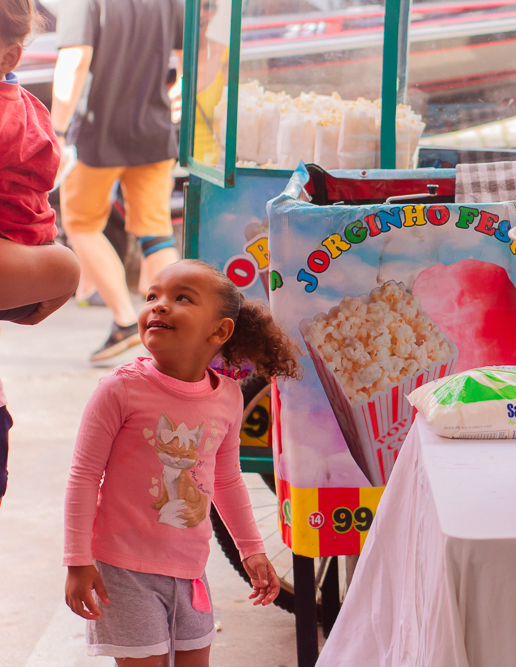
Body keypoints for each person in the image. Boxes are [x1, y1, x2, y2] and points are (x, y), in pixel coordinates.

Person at [63, 259, 301, 665]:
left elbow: (226, 479)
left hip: (191, 570)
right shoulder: (119, 389)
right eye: (152, 296)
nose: (158, 305)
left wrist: (251, 548)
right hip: (123, 569)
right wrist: (77, 561)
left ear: (220, 331)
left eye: (182, 298)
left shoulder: (228, 396)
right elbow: (84, 476)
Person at [52, 0, 184, 363]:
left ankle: (126, 322)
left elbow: (75, 59)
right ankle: (175, 331)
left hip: (98, 136)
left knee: (82, 225)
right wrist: (179, 96)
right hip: (154, 133)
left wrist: (56, 131)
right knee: (155, 229)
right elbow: (191, 55)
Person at [0, 0, 82, 506]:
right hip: (31, 257)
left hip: (21, 256)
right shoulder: (29, 107)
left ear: (8, 55)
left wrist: (61, 271)